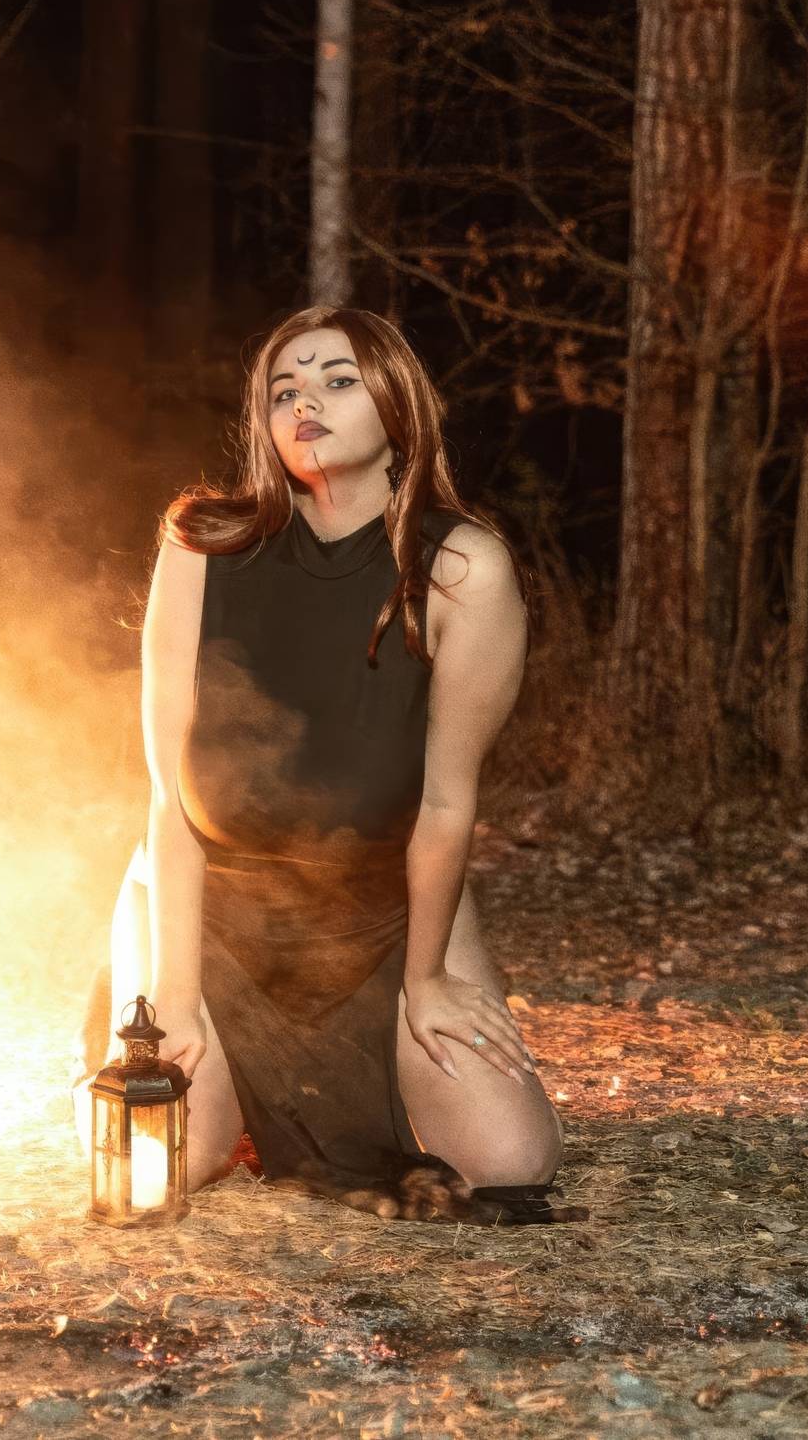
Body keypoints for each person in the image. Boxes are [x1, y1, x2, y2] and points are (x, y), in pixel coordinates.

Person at [71, 306, 580, 1225]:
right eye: (284, 391)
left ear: (399, 407)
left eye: (338, 381)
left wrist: (427, 980)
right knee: (161, 1162)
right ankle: (131, 1009)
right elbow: (169, 799)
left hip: (381, 906)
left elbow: (446, 804)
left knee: (510, 1161)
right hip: (212, 902)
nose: (305, 403)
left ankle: (364, 1040)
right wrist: (174, 1000)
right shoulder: (203, 546)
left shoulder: (463, 570)